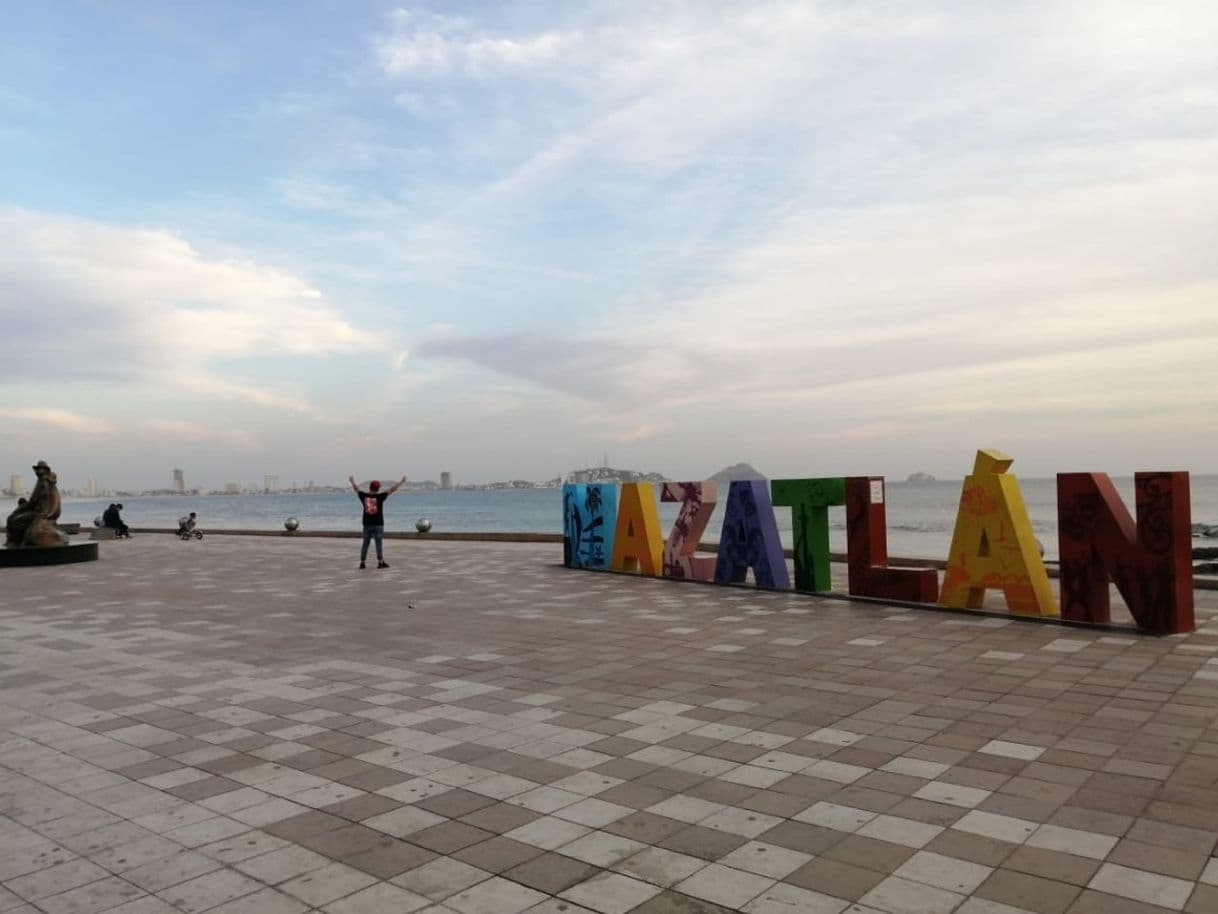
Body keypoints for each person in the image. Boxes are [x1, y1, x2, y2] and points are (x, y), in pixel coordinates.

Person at [348, 474, 406, 569]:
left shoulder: (363, 496)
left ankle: (362, 563)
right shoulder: (380, 497)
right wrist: (402, 482)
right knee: (378, 544)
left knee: (365, 543)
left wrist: (352, 481)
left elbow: (356, 489)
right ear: (378, 489)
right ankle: (380, 562)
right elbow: (392, 489)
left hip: (366, 524)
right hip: (378, 524)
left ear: (370, 487)